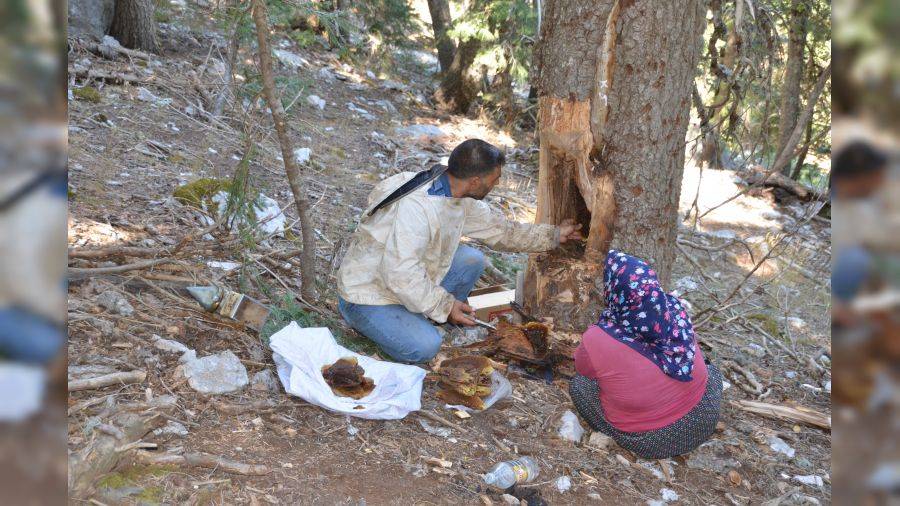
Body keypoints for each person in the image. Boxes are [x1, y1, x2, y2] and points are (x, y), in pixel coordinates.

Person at [337, 139, 581, 363]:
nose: (495, 185)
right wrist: (445, 305)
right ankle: (372, 320)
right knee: (425, 346)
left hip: (403, 281)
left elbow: (501, 231)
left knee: (471, 260)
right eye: (494, 180)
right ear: (475, 181)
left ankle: (421, 316)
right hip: (369, 295)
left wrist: (554, 235)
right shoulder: (417, 207)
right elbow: (400, 274)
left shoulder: (455, 192)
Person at [569, 250, 722, 459]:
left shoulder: (597, 338)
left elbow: (582, 368)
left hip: (652, 441)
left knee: (579, 386)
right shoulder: (675, 309)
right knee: (710, 370)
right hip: (705, 413)